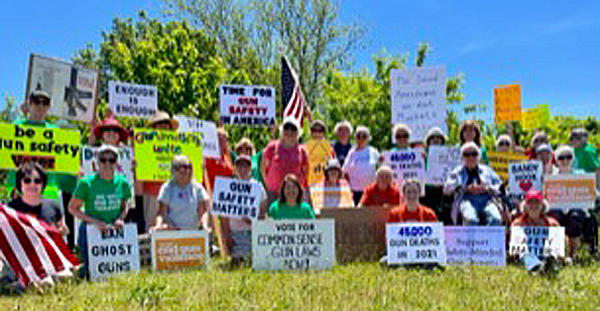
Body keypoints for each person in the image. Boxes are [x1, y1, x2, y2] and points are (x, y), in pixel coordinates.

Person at [68, 145, 132, 278]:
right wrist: (95, 222)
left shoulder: (123, 182)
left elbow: (125, 205)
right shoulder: (86, 183)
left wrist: (121, 218)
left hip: (114, 232)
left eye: (112, 160)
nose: (107, 163)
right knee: (90, 272)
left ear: (116, 162)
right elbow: (72, 208)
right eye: (103, 160)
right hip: (90, 231)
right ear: (97, 162)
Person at [547, 145, 591, 261]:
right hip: (557, 208)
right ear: (556, 160)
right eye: (561, 158)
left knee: (575, 217)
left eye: (568, 157)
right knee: (554, 217)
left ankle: (573, 254)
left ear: (572, 159)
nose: (565, 160)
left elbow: (591, 192)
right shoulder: (551, 177)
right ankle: (559, 254)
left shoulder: (581, 174)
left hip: (576, 207)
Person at [221, 155, 268, 264]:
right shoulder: (227, 187)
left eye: (246, 166)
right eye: (239, 166)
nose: (243, 169)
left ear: (250, 169)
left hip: (253, 232)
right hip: (235, 232)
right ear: (234, 168)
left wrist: (253, 221)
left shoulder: (257, 186)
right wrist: (227, 236)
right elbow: (223, 217)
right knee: (238, 262)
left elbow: (262, 212)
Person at [444, 142, 503, 225]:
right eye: (467, 154)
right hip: (466, 199)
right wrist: (465, 188)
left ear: (478, 157)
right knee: (471, 219)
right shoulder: (457, 172)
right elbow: (447, 188)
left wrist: (486, 188)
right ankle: (471, 238)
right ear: (462, 157)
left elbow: (499, 186)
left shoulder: (487, 171)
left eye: (474, 154)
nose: (471, 157)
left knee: (496, 219)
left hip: (487, 200)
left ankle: (488, 238)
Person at [139, 111, 178, 232]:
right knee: (152, 227)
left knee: (173, 226)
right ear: (153, 127)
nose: (163, 126)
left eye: (166, 123)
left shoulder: (179, 145)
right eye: (159, 123)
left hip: (173, 192)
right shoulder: (144, 144)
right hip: (151, 191)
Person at [151, 156, 209, 231]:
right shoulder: (167, 188)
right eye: (178, 169)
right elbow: (161, 213)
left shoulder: (197, 188)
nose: (182, 173)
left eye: (186, 169)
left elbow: (203, 211)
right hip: (173, 231)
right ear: (173, 171)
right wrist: (158, 226)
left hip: (193, 231)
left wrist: (204, 225)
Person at [8, 163, 67, 234]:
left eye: (37, 181)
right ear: (19, 183)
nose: (32, 184)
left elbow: (62, 229)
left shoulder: (53, 206)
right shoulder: (10, 209)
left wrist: (62, 231)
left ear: (43, 184)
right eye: (27, 180)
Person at [511, 190, 560, 275]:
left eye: (537, 202)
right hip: (527, 257)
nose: (534, 206)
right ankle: (537, 268)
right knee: (524, 253)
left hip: (545, 254)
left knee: (551, 254)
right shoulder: (517, 224)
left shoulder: (552, 223)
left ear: (542, 205)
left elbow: (560, 244)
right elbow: (514, 248)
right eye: (530, 202)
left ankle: (548, 266)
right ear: (525, 206)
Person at [261, 118, 308, 204]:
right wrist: (268, 185)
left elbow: (305, 171)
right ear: (282, 130)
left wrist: (299, 186)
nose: (289, 131)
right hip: (273, 192)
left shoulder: (302, 151)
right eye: (287, 128)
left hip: (294, 194)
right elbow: (263, 168)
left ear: (298, 133)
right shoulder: (272, 147)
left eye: (293, 129)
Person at [342, 126, 379, 205]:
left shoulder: (373, 151)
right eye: (358, 136)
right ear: (355, 138)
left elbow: (380, 168)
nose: (361, 138)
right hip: (355, 191)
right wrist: (348, 189)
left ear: (368, 138)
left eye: (364, 136)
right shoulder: (351, 152)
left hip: (370, 191)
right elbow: (344, 171)